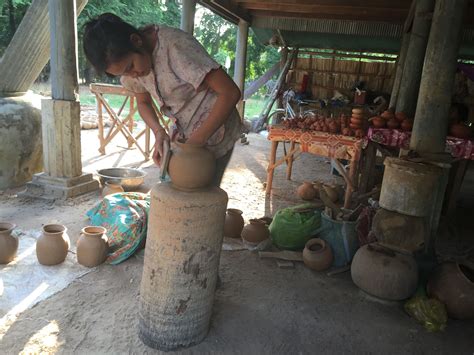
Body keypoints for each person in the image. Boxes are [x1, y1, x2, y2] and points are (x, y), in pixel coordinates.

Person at [83, 13, 243, 186]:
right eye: (123, 73)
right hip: (183, 129)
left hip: (216, 124)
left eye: (130, 67)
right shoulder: (131, 69)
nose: (132, 75)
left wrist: (193, 145)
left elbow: (230, 92)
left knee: (202, 193)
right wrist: (159, 132)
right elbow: (143, 102)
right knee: (175, 188)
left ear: (136, 41)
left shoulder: (175, 46)